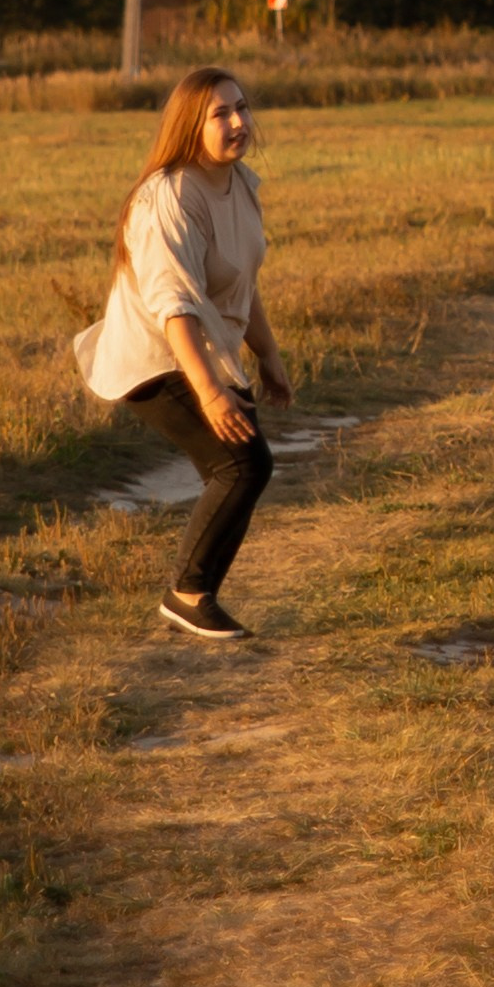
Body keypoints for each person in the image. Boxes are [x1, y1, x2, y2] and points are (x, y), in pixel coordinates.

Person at [74, 65, 294, 643]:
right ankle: (188, 595)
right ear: (189, 126)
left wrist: (267, 357)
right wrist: (213, 392)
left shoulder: (240, 185)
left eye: (242, 107)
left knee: (241, 467)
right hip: (154, 356)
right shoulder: (168, 198)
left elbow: (240, 282)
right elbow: (174, 307)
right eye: (220, 113)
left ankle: (193, 594)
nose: (239, 121)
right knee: (241, 464)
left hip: (203, 346)